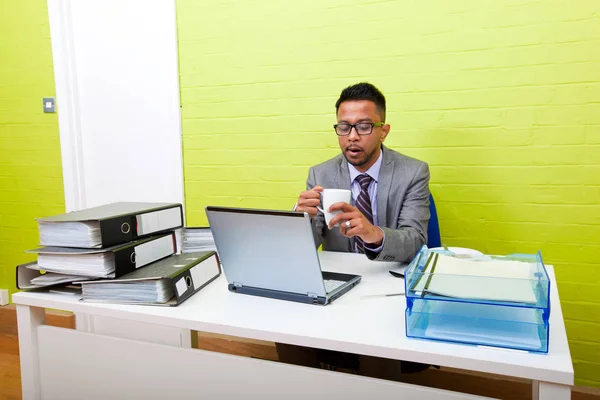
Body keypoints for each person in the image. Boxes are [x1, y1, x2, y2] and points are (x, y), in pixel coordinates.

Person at [277, 82, 431, 377]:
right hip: (339, 283)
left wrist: (373, 233)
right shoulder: (319, 173)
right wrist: (301, 221)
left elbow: (416, 240)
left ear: (383, 130)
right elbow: (306, 246)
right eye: (344, 128)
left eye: (363, 127)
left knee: (378, 351)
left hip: (385, 284)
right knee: (286, 324)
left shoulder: (413, 172)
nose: (352, 137)